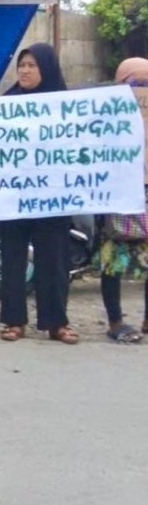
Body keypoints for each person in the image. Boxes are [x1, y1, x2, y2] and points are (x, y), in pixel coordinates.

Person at [0, 43, 78, 344]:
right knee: (13, 258)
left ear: (47, 68)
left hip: (53, 196)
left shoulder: (65, 105)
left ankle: (57, 322)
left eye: (32, 65)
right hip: (15, 196)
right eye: (22, 65)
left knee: (54, 260)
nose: (25, 71)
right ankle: (13, 320)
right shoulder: (7, 103)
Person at [93, 57, 148, 344]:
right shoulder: (105, 113)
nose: (141, 91)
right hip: (116, 194)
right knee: (112, 260)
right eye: (135, 83)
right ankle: (115, 321)